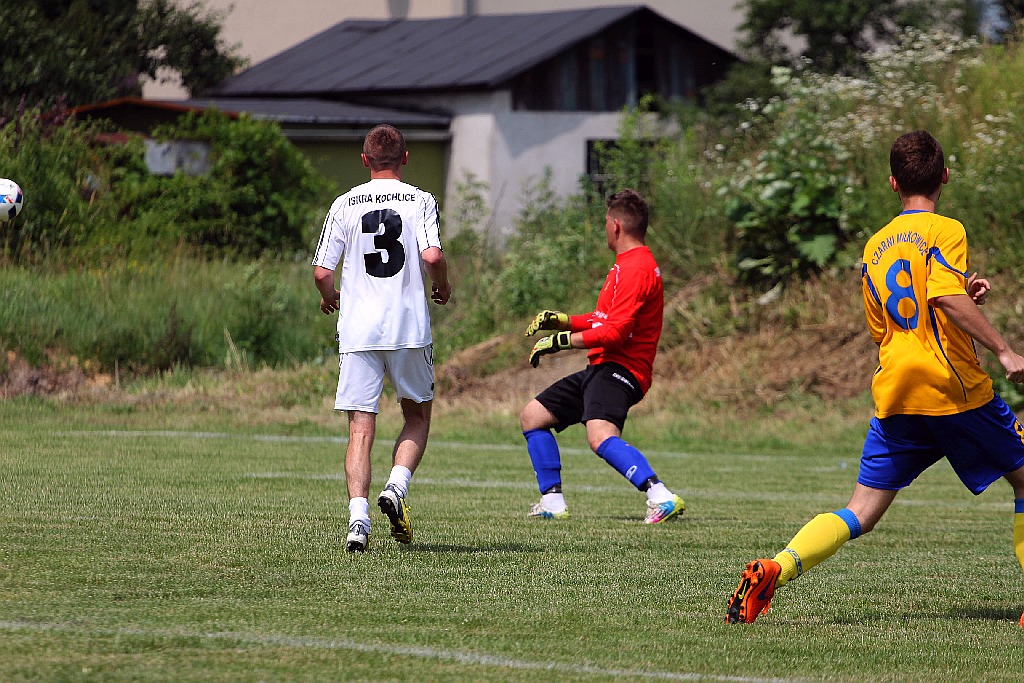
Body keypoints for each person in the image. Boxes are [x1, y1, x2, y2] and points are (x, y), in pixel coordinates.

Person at [725, 130, 1024, 625]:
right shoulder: (946, 228)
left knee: (860, 511)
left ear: (892, 183)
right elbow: (942, 299)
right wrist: (1005, 348)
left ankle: (775, 567)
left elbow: (886, 325)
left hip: (897, 389)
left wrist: (962, 291)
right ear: (945, 177)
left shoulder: (875, 246)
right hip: (952, 388)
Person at [312, 123, 451, 553]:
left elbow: (321, 271)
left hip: (359, 330)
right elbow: (432, 255)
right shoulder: (421, 200)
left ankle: (358, 521)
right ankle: (396, 486)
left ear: (365, 160)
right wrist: (442, 286)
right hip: (408, 328)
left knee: (360, 428)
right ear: (406, 158)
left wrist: (330, 295)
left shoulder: (344, 203)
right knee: (417, 415)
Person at [521, 189, 685, 524]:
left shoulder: (637, 268)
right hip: (603, 366)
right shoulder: (627, 266)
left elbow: (616, 333)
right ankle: (552, 501)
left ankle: (660, 495)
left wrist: (561, 340)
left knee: (600, 437)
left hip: (621, 368)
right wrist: (564, 321)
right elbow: (603, 319)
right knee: (533, 416)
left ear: (615, 226)